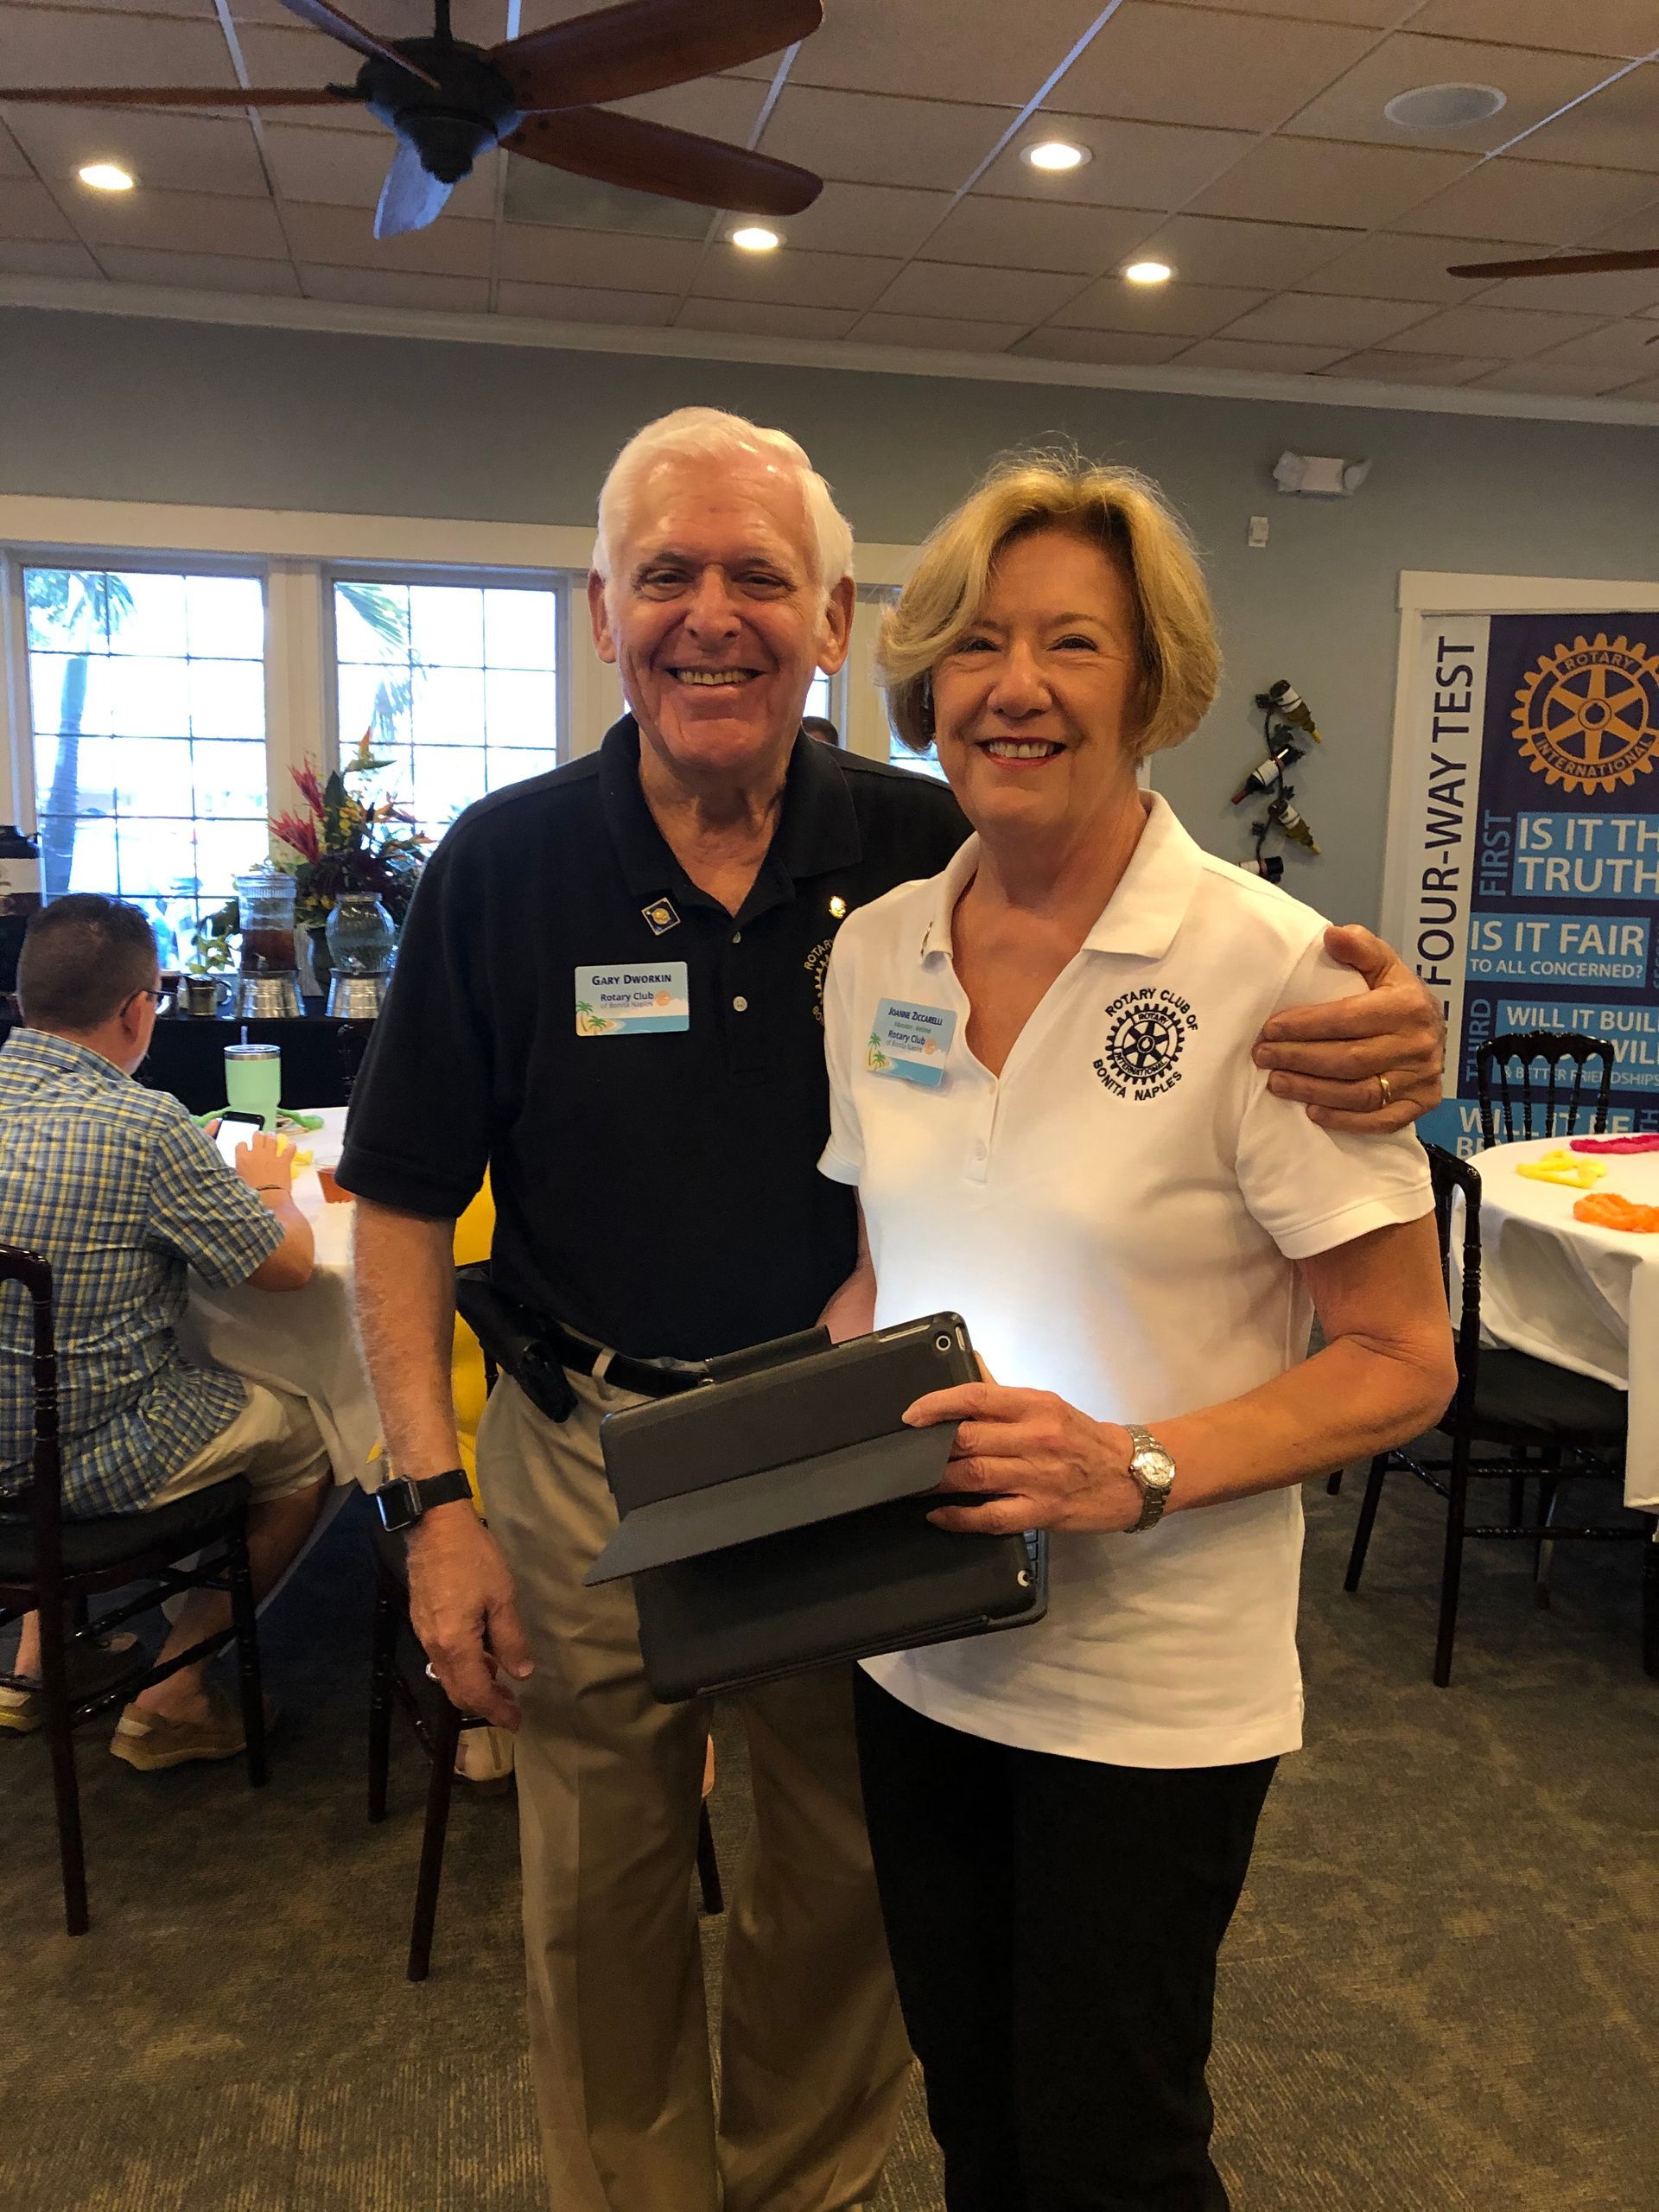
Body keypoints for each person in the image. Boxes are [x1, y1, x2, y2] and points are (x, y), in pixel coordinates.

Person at [334, 406, 1446, 2212]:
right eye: (667, 575)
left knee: (845, 1900)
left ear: (839, 621)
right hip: (583, 1450)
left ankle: (805, 2190)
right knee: (603, 1895)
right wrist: (429, 1498)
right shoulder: (516, 863)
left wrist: (1404, 1029)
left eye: (759, 575)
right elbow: (392, 1207)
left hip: (870, 1471)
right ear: (601, 612)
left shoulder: (931, 841)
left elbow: (1191, 963)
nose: (713, 613)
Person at [816, 455, 1457, 2212]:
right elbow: (880, 1274)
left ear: (1153, 684)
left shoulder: (1279, 973)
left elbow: (1407, 1354)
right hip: (917, 1640)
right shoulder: (875, 954)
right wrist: (781, 1464)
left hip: (1149, 1686)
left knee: (1112, 2142)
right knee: (975, 2111)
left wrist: (1136, 1461)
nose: (1016, 682)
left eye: (1073, 643)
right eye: (978, 641)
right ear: (928, 678)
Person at [0, 896, 329, 1767]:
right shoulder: (144, 1126)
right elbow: (289, 1268)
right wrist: (268, 1184)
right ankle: (173, 1693)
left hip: (10, 1450)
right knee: (314, 1436)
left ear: (22, 999)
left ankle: (38, 1661)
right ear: (139, 1009)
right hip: (77, 1463)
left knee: (46, 1367)